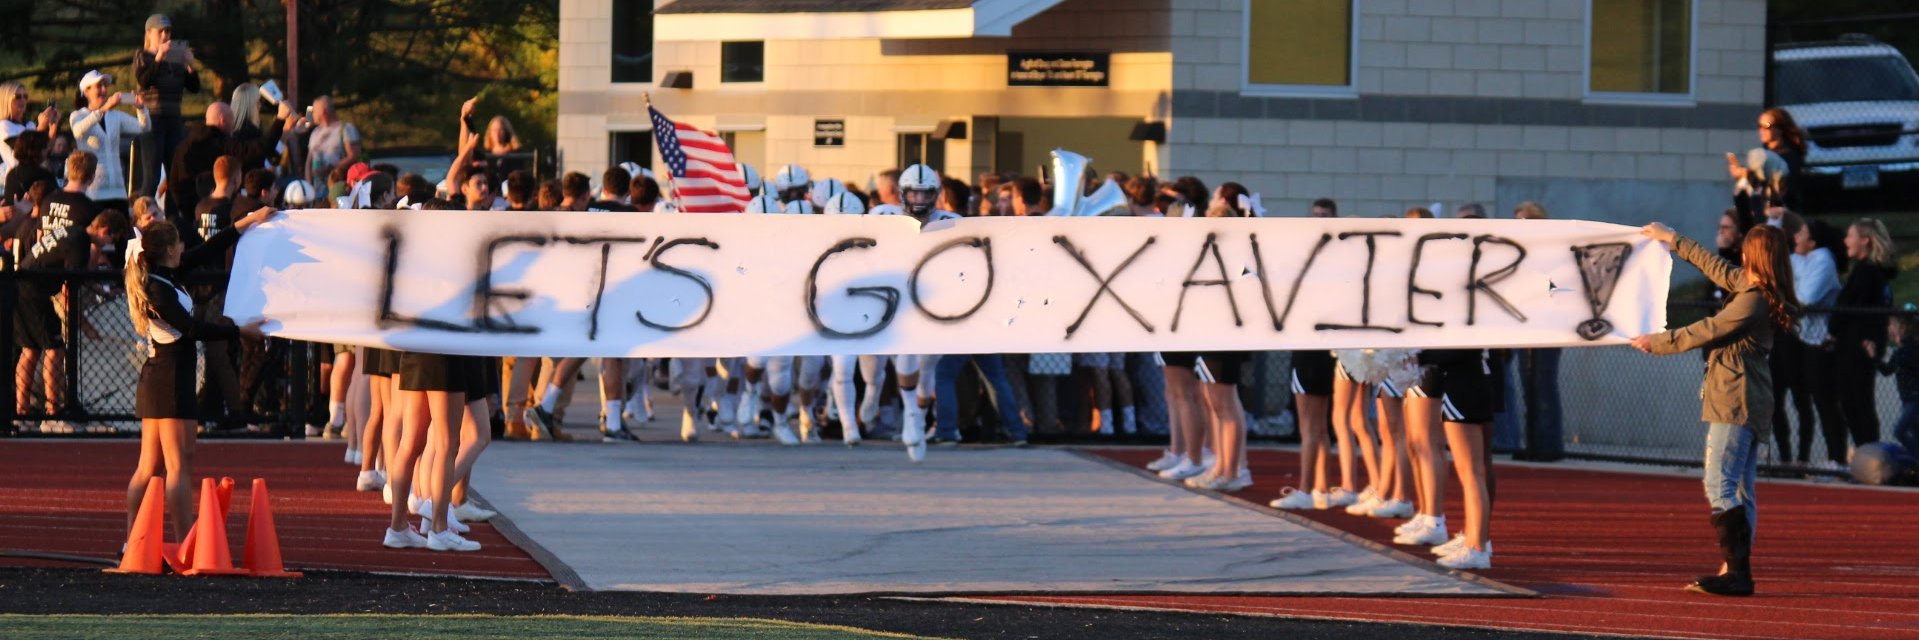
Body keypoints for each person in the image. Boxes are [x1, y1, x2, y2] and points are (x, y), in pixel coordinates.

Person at [1631, 221, 1799, 597]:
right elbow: (1717, 268)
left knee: (1719, 483)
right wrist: (1674, 239)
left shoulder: (1752, 300)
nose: (1738, 254)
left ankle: (1738, 573)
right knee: (1741, 487)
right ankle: (1735, 566)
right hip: (1749, 398)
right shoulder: (1756, 289)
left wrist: (1658, 342)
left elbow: (1708, 329)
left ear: (1753, 256)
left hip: (1735, 400)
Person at [123, 210, 268, 543]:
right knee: (169, 467)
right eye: (179, 244)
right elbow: (191, 329)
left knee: (172, 462)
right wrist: (239, 331)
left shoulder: (168, 274)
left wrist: (248, 221)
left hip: (172, 376)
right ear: (170, 250)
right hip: (167, 379)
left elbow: (211, 248)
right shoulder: (157, 288)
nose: (184, 248)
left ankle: (137, 540)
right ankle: (181, 540)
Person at [1775, 213, 1841, 467]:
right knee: (1796, 397)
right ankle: (1792, 459)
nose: (1796, 237)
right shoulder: (1800, 259)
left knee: (1824, 401)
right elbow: (1779, 275)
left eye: (1801, 234)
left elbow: (1806, 298)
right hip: (1801, 338)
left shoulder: (1823, 260)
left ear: (1812, 242)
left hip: (1820, 341)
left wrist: (1788, 295)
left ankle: (1836, 458)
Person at [1831, 219, 1897, 464]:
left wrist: (1834, 328)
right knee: (1856, 402)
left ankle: (1869, 458)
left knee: (1857, 403)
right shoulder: (1870, 272)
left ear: (1865, 241)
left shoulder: (1868, 272)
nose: (1846, 241)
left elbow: (1846, 307)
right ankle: (1867, 456)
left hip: (1858, 346)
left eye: (1851, 236)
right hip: (1858, 344)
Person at [1511, 201, 1565, 462]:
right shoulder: (1520, 254)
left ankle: (1549, 443)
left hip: (1547, 329)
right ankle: (1533, 441)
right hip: (1526, 328)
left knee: (1543, 385)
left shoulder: (1550, 253)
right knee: (1529, 385)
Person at [133, 14, 198, 195]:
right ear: (149, 33)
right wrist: (159, 58)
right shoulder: (143, 56)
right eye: (160, 31)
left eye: (168, 31)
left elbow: (194, 87)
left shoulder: (175, 59)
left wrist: (189, 66)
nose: (165, 35)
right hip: (152, 120)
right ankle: (143, 217)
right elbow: (144, 80)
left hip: (173, 120)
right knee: (152, 175)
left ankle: (173, 218)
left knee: (176, 174)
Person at [69, 70, 150, 210]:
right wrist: (104, 109)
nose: (104, 90)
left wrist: (141, 108)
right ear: (86, 91)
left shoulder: (115, 116)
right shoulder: (78, 115)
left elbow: (144, 127)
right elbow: (78, 131)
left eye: (105, 86)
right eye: (99, 86)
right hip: (93, 191)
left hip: (118, 191)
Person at [1870, 307, 1919, 455]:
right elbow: (1887, 370)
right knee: (1914, 433)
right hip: (1906, 399)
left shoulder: (1910, 349)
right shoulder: (1900, 351)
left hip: (1915, 399)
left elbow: (1909, 362)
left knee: (1900, 431)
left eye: (1892, 325)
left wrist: (1902, 343)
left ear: (1902, 328)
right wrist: (1874, 356)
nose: (1889, 328)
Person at [305, 96, 361, 183]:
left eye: (314, 111)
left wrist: (330, 169)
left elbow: (354, 156)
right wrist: (308, 186)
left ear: (323, 112)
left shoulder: (346, 129)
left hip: (340, 188)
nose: (312, 114)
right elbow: (308, 163)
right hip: (318, 191)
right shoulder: (315, 133)